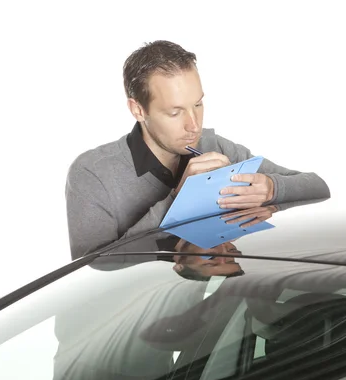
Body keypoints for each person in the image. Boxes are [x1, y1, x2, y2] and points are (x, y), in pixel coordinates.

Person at [65, 40, 330, 260]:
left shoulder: (216, 148)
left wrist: (272, 188)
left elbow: (318, 187)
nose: (194, 125)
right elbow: (91, 267)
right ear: (138, 110)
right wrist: (178, 200)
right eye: (175, 112)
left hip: (200, 306)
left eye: (198, 105)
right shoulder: (92, 173)